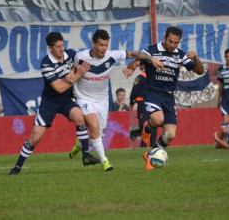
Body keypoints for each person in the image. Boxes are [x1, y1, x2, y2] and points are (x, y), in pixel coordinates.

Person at [68, 29, 164, 171]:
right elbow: (73, 68)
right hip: (83, 98)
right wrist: (71, 73)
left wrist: (151, 59)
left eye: (106, 45)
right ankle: (105, 161)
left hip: (102, 100)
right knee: (93, 126)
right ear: (93, 44)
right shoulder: (80, 57)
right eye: (101, 45)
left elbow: (133, 54)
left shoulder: (111, 56)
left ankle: (81, 143)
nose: (104, 48)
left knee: (98, 135)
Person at [8, 32, 100, 176]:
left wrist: (72, 70)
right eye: (57, 47)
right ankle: (17, 167)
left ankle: (86, 156)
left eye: (62, 45)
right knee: (35, 138)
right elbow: (59, 88)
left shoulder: (70, 54)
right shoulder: (46, 64)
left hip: (66, 100)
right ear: (50, 48)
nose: (61, 49)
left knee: (79, 117)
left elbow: (79, 63)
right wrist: (77, 74)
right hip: (50, 102)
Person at [124, 26, 204, 170]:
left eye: (176, 43)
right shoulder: (151, 50)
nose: (172, 45)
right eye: (170, 41)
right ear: (165, 38)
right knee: (158, 119)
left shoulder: (180, 55)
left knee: (170, 135)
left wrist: (196, 59)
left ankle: (151, 155)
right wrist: (131, 68)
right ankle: (148, 129)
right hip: (152, 93)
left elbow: (200, 71)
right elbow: (136, 61)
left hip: (168, 97)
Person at [129, 65, 157, 147]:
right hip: (154, 103)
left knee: (143, 124)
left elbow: (135, 90)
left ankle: (143, 144)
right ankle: (153, 143)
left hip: (143, 104)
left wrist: (131, 102)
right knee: (153, 123)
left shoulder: (141, 77)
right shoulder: (156, 77)